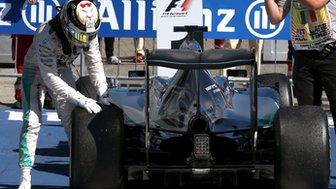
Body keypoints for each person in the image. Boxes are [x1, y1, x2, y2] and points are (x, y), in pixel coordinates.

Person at [18, 1, 113, 188]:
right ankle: (25, 177)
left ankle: (78, 170)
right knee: (32, 123)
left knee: (72, 122)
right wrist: (80, 97)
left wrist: (103, 92)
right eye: (81, 35)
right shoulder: (45, 35)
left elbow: (95, 63)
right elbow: (50, 77)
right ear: (67, 23)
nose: (84, 40)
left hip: (62, 69)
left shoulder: (88, 30)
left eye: (89, 36)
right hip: (36, 71)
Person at [265, 0, 336, 127]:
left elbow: (315, 3)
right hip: (303, 55)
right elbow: (275, 17)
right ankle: (312, 146)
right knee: (307, 113)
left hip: (331, 52)